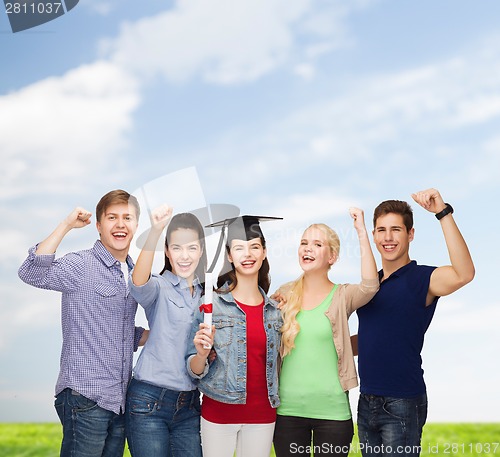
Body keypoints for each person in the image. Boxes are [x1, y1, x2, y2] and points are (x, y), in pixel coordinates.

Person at [18, 189, 146, 457]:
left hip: (119, 400)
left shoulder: (135, 273)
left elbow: (117, 331)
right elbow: (30, 272)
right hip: (84, 397)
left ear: (136, 225)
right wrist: (66, 225)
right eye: (112, 217)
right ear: (99, 226)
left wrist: (158, 335)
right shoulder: (80, 265)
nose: (120, 224)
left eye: (127, 217)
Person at [356, 188, 475, 457]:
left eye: (396, 229)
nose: (388, 237)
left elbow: (464, 273)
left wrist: (442, 213)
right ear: (374, 235)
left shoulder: (423, 279)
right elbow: (370, 338)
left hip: (402, 401)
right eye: (381, 230)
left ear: (410, 234)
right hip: (366, 400)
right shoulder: (370, 285)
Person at [272, 208, 379, 457]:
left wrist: (362, 232)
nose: (307, 248)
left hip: (332, 414)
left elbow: (371, 285)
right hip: (288, 413)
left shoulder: (342, 296)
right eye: (304, 243)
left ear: (332, 256)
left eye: (317, 244)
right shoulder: (283, 295)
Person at [186, 215, 283, 457]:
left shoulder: (275, 311)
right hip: (219, 414)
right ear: (230, 256)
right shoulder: (211, 305)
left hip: (262, 416)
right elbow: (194, 369)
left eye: (254, 247)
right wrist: (201, 354)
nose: (247, 254)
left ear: (264, 252)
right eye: (239, 248)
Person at [125, 205, 207, 457]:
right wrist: (155, 231)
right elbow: (137, 281)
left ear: (201, 251)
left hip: (190, 405)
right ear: (167, 252)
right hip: (148, 400)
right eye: (177, 247)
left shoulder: (209, 295)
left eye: (192, 247)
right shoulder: (159, 287)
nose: (185, 256)